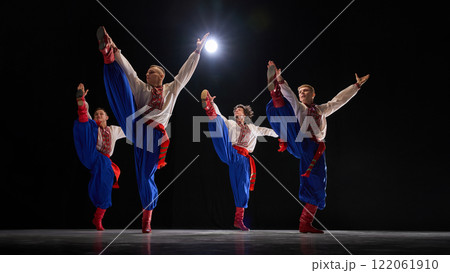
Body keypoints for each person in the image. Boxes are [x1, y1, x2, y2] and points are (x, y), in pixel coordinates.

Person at [97, 26, 209, 233]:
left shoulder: (171, 89)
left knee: (145, 177)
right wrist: (117, 49)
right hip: (136, 127)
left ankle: (147, 218)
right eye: (147, 72)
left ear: (161, 75)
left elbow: (185, 74)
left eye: (151, 72)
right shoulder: (141, 87)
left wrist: (197, 52)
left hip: (153, 138)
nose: (147, 74)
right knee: (124, 85)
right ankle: (108, 54)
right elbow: (130, 71)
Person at [265, 61, 369, 233]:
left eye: (305, 91)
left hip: (317, 149)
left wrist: (356, 86)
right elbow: (290, 94)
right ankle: (276, 93)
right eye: (300, 91)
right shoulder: (299, 107)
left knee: (318, 185)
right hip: (300, 142)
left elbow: (339, 100)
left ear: (313, 94)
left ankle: (305, 223)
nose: (301, 93)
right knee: (287, 110)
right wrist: (279, 79)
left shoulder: (321, 110)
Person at [201, 89, 279, 231]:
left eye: (239, 109)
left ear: (245, 114)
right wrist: (212, 103)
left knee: (241, 188)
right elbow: (220, 117)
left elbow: (266, 131)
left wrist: (281, 134)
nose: (236, 110)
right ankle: (208, 108)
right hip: (231, 152)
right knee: (218, 120)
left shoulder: (252, 128)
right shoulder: (230, 123)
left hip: (244, 160)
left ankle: (239, 220)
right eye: (235, 109)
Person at [73, 83, 125, 231]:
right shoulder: (93, 124)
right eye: (96, 114)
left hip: (104, 162)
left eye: (101, 114)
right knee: (86, 123)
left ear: (107, 117)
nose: (98, 116)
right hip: (90, 153)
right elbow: (88, 117)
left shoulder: (114, 129)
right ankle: (80, 103)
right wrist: (82, 99)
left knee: (105, 188)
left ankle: (98, 218)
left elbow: (130, 131)